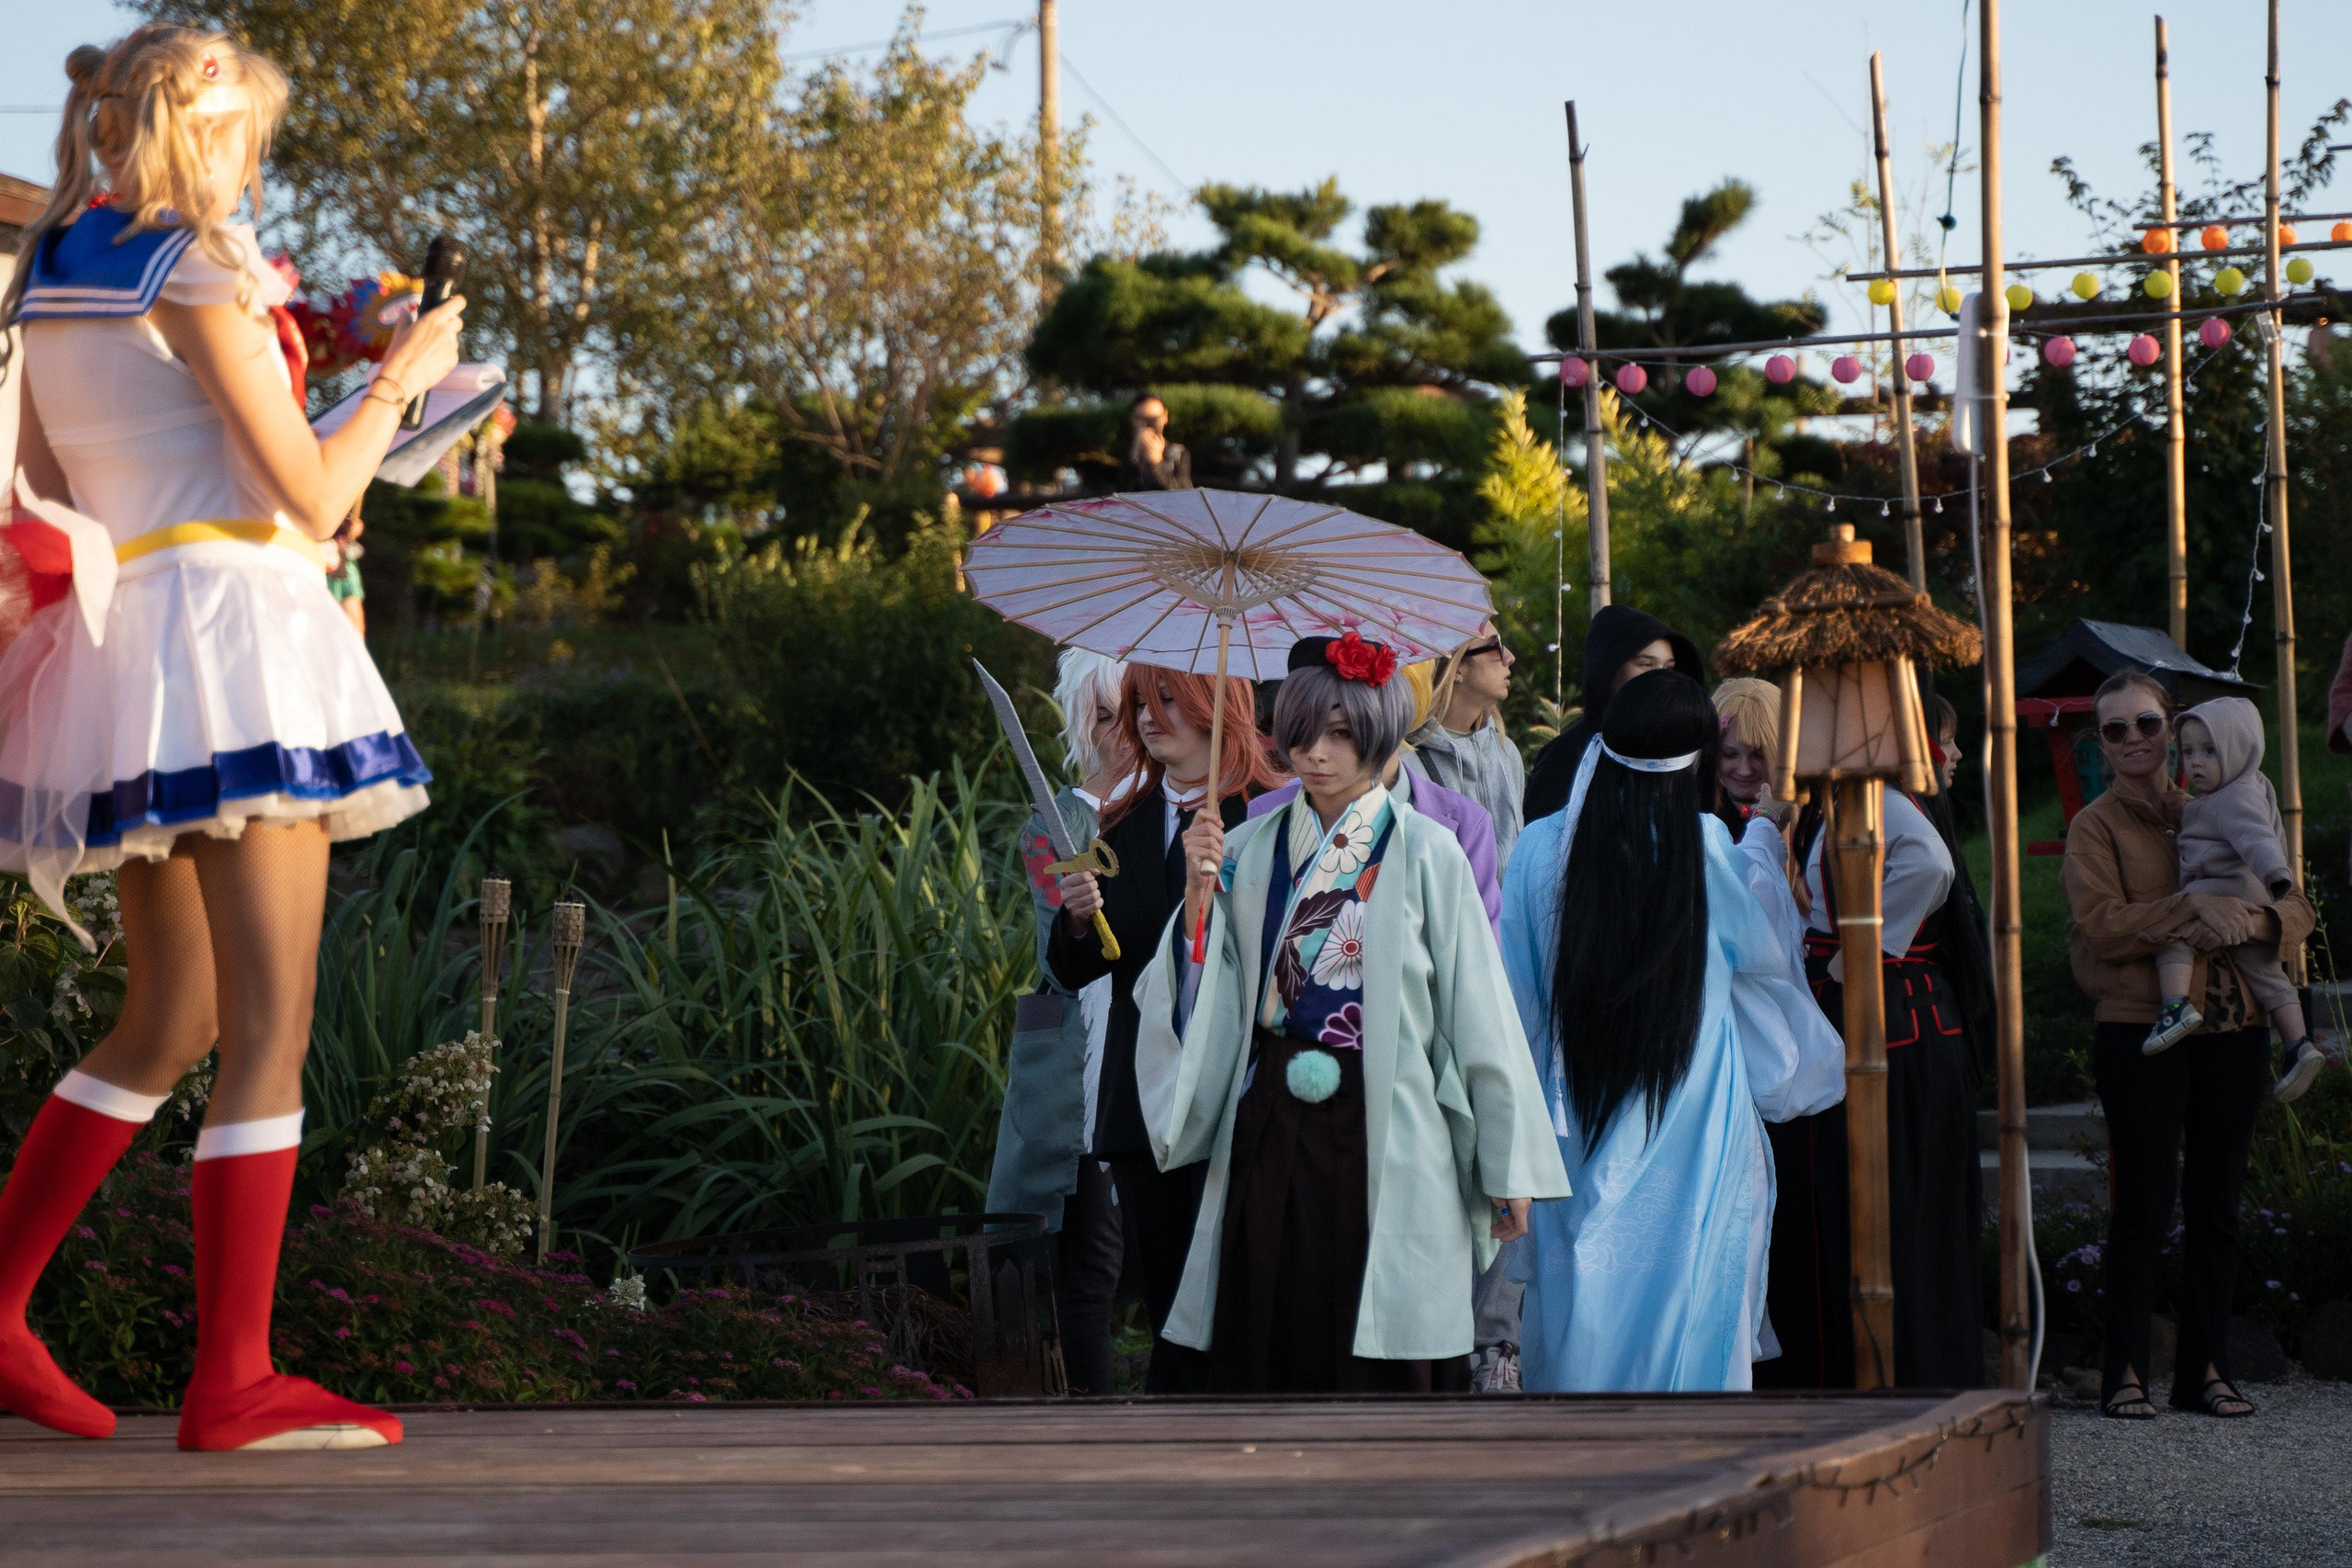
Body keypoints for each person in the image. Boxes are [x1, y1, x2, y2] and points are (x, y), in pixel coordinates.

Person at [0, 27, 454, 1450]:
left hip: (129, 652)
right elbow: (313, 500)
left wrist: (319, 447)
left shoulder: (57, 266)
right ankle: (235, 1377)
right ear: (210, 130)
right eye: (250, 131)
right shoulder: (196, 262)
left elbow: (80, 481)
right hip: (235, 651)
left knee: (173, 1014)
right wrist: (405, 382)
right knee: (267, 1026)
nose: (255, 157)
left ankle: (0, 1307)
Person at [1131, 632, 1566, 1393]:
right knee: (1268, 1308)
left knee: (1380, 1323)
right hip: (1271, 1117)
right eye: (1300, 734)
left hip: (1390, 1114)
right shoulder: (1246, 844)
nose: (1315, 753)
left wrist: (1507, 1164)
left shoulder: (1432, 852)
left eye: (1340, 734)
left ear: (1379, 737)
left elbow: (1479, 1011)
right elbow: (1210, 994)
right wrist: (1199, 902)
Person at [1501, 671, 1842, 1392]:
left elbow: (1518, 1000)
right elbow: (1762, 953)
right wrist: (1765, 836)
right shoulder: (1705, 842)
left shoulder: (1540, 847)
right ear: (1697, 761)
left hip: (1573, 1112)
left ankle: (1582, 1466)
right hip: (1691, 1115)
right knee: (1686, 1302)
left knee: (1581, 1305)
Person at [2062, 669, 2315, 1420]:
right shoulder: (2095, 827)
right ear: (2101, 743)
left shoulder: (2227, 793)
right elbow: (2101, 925)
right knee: (2142, 1201)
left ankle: (2206, 1369)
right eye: (2115, 729)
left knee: (2218, 1201)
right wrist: (2190, 907)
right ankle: (2125, 1373)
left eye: (2146, 723)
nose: (2135, 739)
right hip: (2142, 1025)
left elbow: (2294, 905)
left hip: (2234, 1023)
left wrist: (2254, 922)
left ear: (2170, 726)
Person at [1050, 663, 1275, 1391]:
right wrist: (1080, 918)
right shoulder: (1121, 824)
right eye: (1141, 703)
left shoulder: (1268, 813)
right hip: (1146, 1101)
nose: (1148, 717)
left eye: (1168, 699)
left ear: (1218, 707)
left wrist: (1212, 886)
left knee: (1248, 1282)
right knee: (1171, 1287)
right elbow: (1076, 969)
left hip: (1249, 1091)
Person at [1758, 709, 1984, 1392]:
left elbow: (1932, 863)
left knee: (1885, 1206)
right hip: (1877, 1013)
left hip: (1886, 1020)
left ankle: (1897, 1376)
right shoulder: (1843, 803)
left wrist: (1866, 949)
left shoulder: (1876, 799)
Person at [990, 649, 1131, 1395]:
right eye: (1104, 712)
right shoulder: (1059, 821)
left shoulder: (1182, 799)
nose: (1122, 727)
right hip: (1085, 1059)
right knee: (1087, 1264)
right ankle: (1095, 1425)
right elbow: (1064, 950)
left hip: (1168, 1044)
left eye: (1133, 706)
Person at [2144, 699, 2323, 1100]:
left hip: (2222, 892)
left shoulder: (2233, 797)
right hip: (2254, 902)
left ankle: (2174, 1006)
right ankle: (2298, 1046)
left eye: (2210, 751)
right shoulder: (2250, 785)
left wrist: (2278, 878)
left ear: (2238, 749)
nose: (2196, 762)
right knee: (2269, 976)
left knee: (2173, 930)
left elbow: (2257, 840)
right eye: (2188, 752)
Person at [1523, 604, 1702, 823]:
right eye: (1646, 664)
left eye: (1669, 667)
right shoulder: (1565, 756)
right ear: (1609, 669)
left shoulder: (1681, 749)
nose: (1660, 679)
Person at [1407, 623, 1526, 866]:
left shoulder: (1507, 752)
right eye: (1496, 645)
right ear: (1458, 667)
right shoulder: (1407, 760)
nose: (1510, 657)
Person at [1711, 677, 1784, 821]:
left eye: (1760, 755)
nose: (1745, 771)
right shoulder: (1687, 812)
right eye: (1729, 754)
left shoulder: (1819, 816)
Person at [1115, 393, 1192, 491]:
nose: (1149, 424)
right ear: (1133, 419)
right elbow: (1121, 495)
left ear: (1165, 417)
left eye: (1154, 419)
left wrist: (1157, 463)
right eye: (1142, 419)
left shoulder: (1179, 453)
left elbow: (1183, 493)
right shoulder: (1128, 455)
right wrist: (1134, 458)